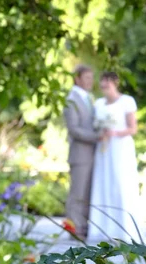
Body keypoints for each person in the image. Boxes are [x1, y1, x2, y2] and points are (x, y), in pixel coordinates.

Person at [87, 71, 139, 243]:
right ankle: (102, 228)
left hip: (120, 147)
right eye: (102, 86)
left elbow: (133, 128)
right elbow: (95, 124)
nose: (104, 89)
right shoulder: (99, 103)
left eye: (107, 85)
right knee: (103, 183)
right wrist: (101, 132)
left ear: (115, 84)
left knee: (120, 183)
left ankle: (123, 229)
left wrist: (115, 132)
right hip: (104, 148)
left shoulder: (127, 101)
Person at [64, 65, 100, 239]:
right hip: (80, 154)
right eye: (86, 78)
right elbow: (74, 129)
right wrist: (97, 136)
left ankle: (83, 227)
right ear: (77, 79)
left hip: (93, 154)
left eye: (91, 78)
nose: (90, 82)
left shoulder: (89, 98)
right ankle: (74, 229)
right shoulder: (72, 100)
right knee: (77, 193)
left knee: (86, 193)